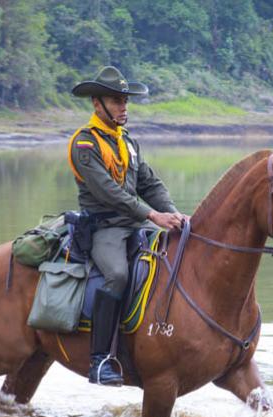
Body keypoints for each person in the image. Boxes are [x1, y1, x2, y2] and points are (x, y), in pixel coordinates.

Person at [68, 65, 187, 386]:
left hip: (137, 223)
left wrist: (173, 215)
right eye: (117, 101)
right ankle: (100, 360)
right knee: (118, 275)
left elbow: (150, 183)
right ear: (97, 104)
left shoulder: (129, 142)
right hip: (105, 228)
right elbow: (109, 193)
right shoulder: (84, 144)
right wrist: (152, 216)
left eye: (125, 101)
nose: (124, 107)